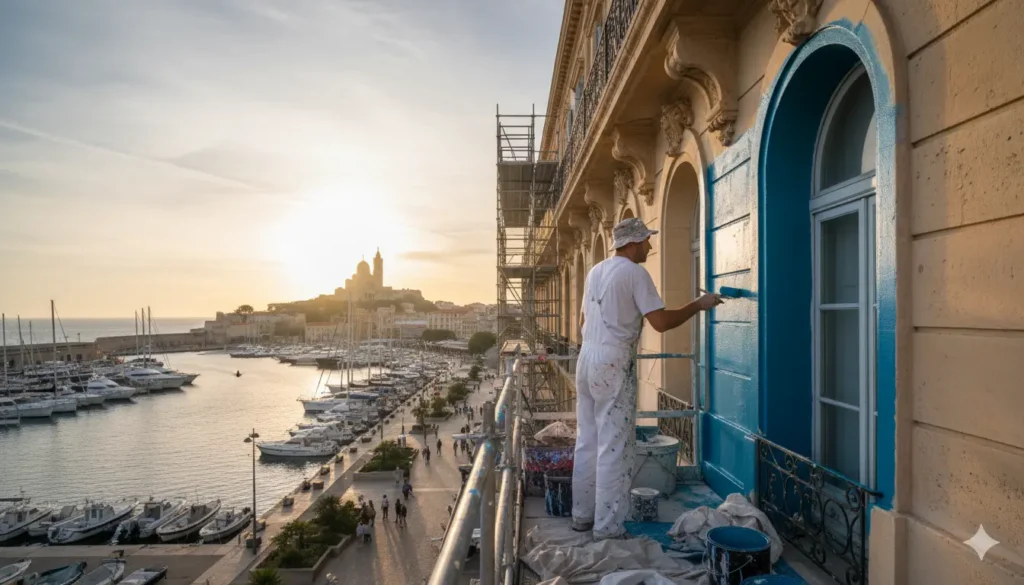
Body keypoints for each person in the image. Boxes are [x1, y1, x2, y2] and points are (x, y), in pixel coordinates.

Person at [570, 217, 723, 541]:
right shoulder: (635, 273)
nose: (651, 246)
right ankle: (608, 529)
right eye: (647, 241)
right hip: (612, 360)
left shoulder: (596, 271)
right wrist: (700, 304)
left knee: (588, 441)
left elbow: (583, 318)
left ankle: (582, 517)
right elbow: (661, 322)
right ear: (635, 242)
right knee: (614, 446)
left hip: (586, 358)